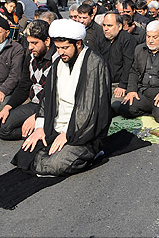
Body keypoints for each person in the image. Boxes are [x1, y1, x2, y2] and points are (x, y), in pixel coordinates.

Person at [11, 19, 112, 176]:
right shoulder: (58, 62)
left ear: (78, 43)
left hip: (83, 132)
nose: (61, 52)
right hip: (56, 126)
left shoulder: (95, 64)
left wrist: (67, 134)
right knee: (24, 156)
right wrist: (40, 127)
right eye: (57, 48)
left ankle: (92, 154)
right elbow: (48, 98)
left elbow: (90, 109)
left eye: (65, 48)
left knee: (55, 164)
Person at [0, 20, 57, 141]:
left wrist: (38, 116)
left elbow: (57, 95)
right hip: (34, 104)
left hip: (51, 107)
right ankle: (36, 132)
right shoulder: (31, 56)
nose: (30, 47)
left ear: (47, 41)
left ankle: (43, 130)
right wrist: (7, 107)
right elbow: (23, 86)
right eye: (29, 43)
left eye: (34, 43)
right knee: (1, 127)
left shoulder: (57, 59)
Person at [95, 12, 137, 98]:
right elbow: (95, 61)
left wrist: (122, 85)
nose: (105, 29)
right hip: (102, 82)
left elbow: (128, 64)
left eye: (109, 26)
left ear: (120, 26)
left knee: (116, 105)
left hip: (119, 84)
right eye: (104, 25)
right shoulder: (100, 38)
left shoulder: (127, 39)